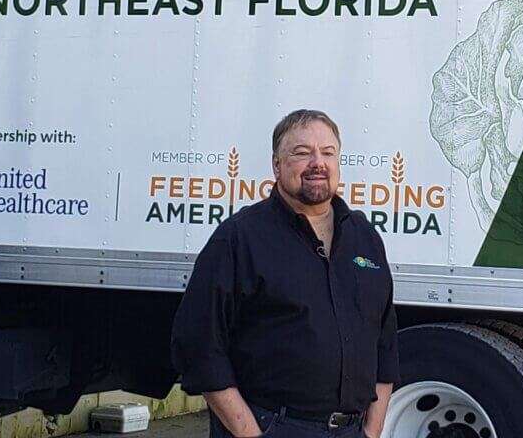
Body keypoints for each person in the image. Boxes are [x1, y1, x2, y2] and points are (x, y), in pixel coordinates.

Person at [171, 109, 399, 437]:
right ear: (277, 165)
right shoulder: (240, 238)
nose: (318, 163)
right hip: (272, 425)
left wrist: (371, 431)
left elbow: (385, 344)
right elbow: (198, 344)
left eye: (328, 153)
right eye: (302, 153)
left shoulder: (365, 238)